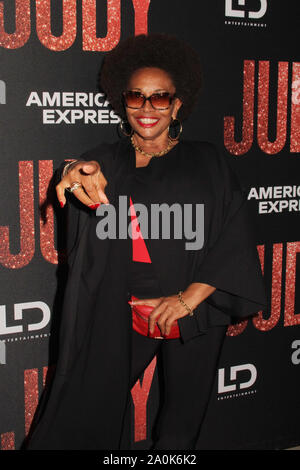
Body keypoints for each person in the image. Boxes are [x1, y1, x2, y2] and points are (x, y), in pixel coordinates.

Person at [27, 33, 267, 450]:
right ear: (124, 102)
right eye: (136, 96)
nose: (147, 108)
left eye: (160, 98)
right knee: (86, 409)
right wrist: (75, 169)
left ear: (177, 104)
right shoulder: (106, 158)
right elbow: (83, 170)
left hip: (194, 309)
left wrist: (186, 300)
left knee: (180, 428)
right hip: (118, 313)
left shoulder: (206, 161)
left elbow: (234, 238)